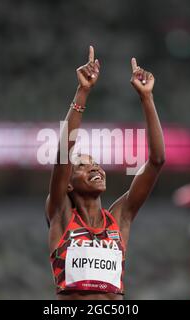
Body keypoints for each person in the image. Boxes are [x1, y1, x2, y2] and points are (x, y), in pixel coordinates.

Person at [46, 46, 165, 300]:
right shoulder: (61, 214)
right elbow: (63, 155)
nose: (95, 167)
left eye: (96, 163)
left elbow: (156, 161)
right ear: (68, 184)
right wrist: (83, 91)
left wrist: (147, 98)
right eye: (83, 165)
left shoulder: (120, 219)